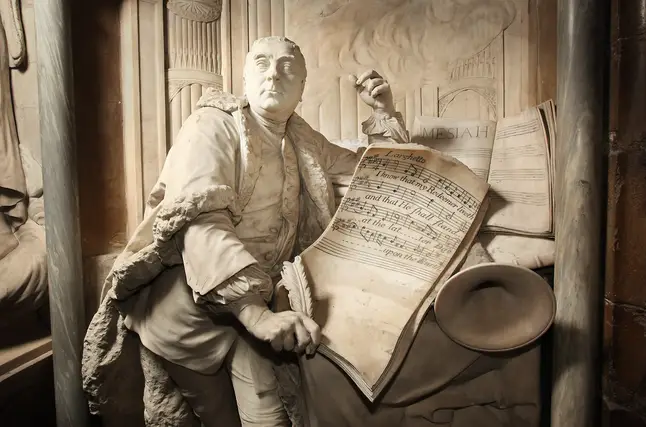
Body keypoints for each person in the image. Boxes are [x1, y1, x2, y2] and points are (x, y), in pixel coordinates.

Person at [87, 35, 409, 427]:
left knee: (271, 419)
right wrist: (256, 316)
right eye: (261, 63)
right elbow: (200, 221)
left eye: (287, 67)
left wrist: (384, 114)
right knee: (216, 418)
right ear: (244, 77)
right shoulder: (211, 126)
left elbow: (375, 177)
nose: (273, 74)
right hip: (189, 308)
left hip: (257, 306)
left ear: (302, 88)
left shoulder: (302, 139)